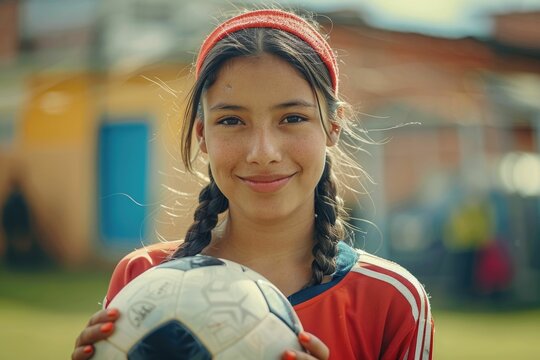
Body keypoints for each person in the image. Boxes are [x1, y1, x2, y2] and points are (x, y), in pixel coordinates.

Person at [72, 8, 434, 360]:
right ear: (202, 135)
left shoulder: (391, 301)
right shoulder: (144, 278)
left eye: (292, 118)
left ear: (333, 126)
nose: (264, 152)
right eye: (232, 121)